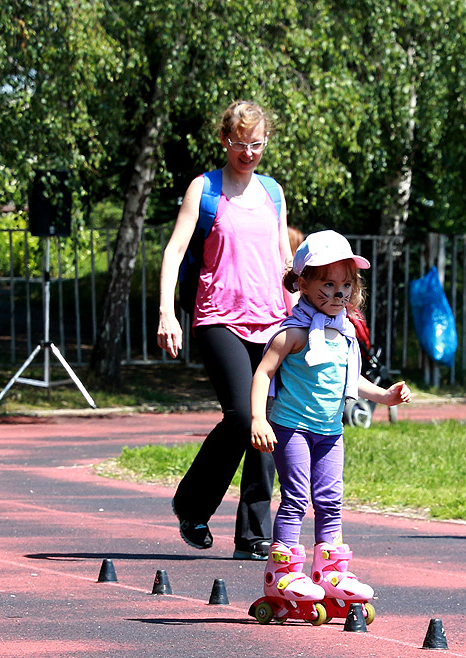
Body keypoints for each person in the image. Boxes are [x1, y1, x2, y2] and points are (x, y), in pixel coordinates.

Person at [156, 100, 293, 560]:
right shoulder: (205, 188)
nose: (248, 152)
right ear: (224, 141)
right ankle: (192, 504)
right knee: (241, 415)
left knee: (267, 425)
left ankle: (253, 535)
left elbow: (284, 262)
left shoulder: (273, 192)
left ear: (266, 142)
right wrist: (166, 312)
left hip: (272, 320)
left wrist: (303, 318)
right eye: (239, 143)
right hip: (219, 318)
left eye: (256, 144)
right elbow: (175, 252)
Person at [250, 230, 411, 615]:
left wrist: (384, 396)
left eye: (345, 285)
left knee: (331, 500)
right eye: (328, 284)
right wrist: (259, 418)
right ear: (303, 283)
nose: (338, 293)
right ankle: (283, 572)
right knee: (295, 499)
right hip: (291, 429)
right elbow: (262, 374)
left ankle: (330, 573)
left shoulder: (343, 333)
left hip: (329, 432)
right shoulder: (293, 333)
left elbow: (349, 380)